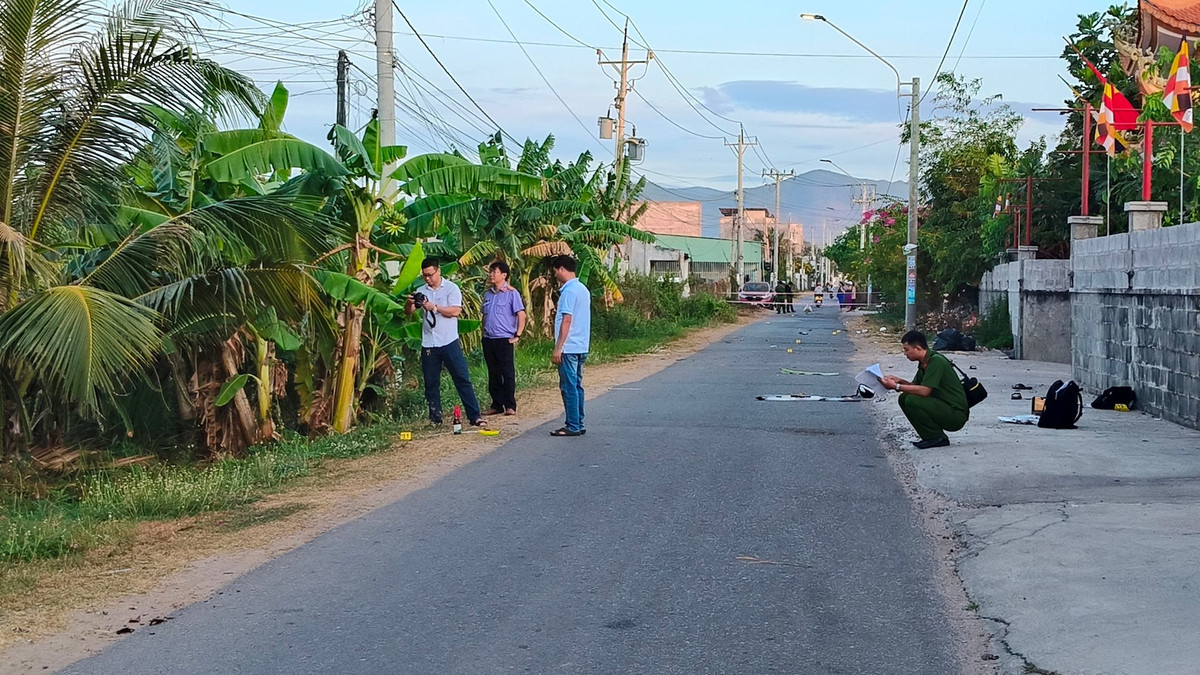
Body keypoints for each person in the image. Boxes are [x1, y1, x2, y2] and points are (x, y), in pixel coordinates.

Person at [405, 258, 485, 427]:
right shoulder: (421, 290)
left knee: (462, 378)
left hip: (449, 341)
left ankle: (474, 416)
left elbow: (455, 311)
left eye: (430, 275)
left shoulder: (451, 288)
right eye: (424, 275)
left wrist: (434, 307)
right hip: (429, 343)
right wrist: (411, 302)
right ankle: (435, 418)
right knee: (431, 383)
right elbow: (408, 312)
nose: (427, 278)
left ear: (438, 271)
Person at [881, 330, 969, 448]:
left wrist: (896, 386)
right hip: (943, 406)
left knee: (911, 400)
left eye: (906, 349)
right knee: (904, 398)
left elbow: (924, 391)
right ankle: (930, 437)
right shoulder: (925, 362)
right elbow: (915, 387)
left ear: (917, 348)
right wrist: (899, 381)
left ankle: (937, 437)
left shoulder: (936, 361)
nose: (904, 353)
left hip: (955, 414)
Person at [549, 255, 590, 437]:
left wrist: (558, 347)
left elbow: (567, 320)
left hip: (569, 347)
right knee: (577, 385)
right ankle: (578, 422)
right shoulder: (583, 289)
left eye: (556, 271)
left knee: (569, 386)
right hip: (581, 345)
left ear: (562, 269)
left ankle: (572, 424)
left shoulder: (568, 292)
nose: (555, 274)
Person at [481, 260, 527, 416]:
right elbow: (484, 315)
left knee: (507, 372)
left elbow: (521, 314)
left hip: (504, 339)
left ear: (504, 275)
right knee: (493, 373)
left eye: (495, 272)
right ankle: (496, 404)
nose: (492, 275)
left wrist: (517, 335)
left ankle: (510, 405)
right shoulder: (488, 294)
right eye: (491, 272)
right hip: (489, 339)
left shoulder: (512, 293)